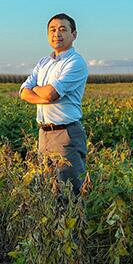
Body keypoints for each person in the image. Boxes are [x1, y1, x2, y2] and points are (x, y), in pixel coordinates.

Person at [19, 13, 89, 195]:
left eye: (62, 29)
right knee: (49, 191)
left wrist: (41, 91)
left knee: (71, 194)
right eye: (52, 29)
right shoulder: (43, 62)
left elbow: (51, 93)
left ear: (74, 35)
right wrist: (45, 96)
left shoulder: (75, 62)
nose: (56, 33)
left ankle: (77, 224)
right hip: (44, 134)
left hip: (66, 135)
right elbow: (23, 92)